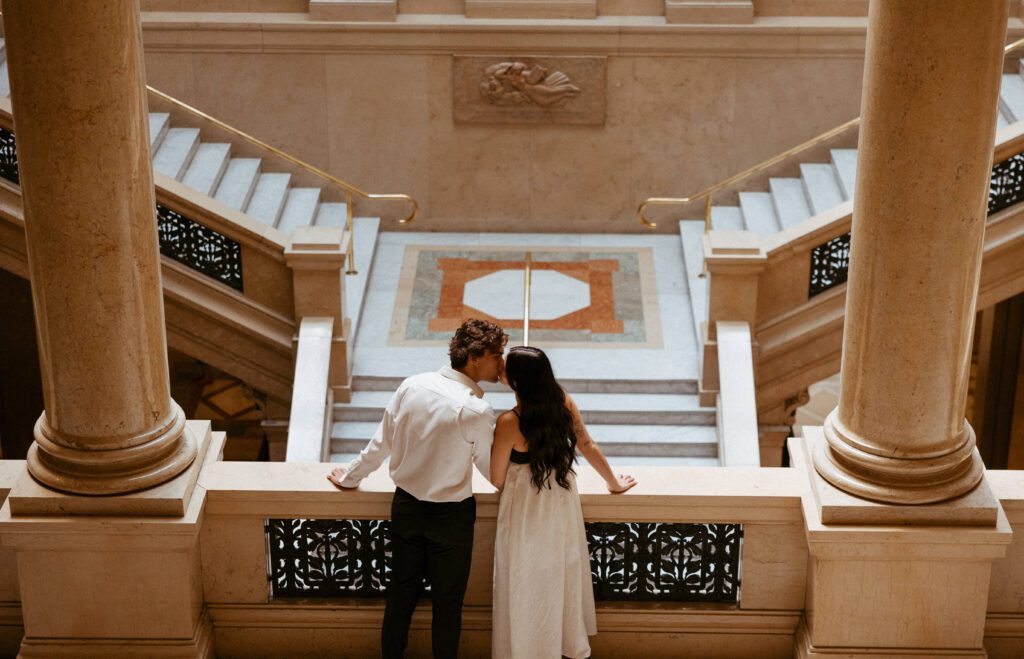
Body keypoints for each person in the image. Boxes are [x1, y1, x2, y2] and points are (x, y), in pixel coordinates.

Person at [327, 319, 508, 659]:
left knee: (400, 595)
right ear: (474, 356)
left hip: (406, 507)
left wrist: (349, 477)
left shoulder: (412, 385)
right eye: (497, 355)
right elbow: (493, 474)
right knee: (448, 605)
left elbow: (379, 447)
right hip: (451, 519)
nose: (502, 362)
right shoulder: (477, 410)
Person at [489, 345, 637, 659]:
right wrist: (614, 482)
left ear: (517, 381)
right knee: (561, 571)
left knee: (523, 575)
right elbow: (586, 443)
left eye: (505, 367)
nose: (500, 368)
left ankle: (527, 648)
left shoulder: (508, 422)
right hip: (559, 501)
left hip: (525, 507)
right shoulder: (564, 402)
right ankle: (563, 642)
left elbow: (497, 479)